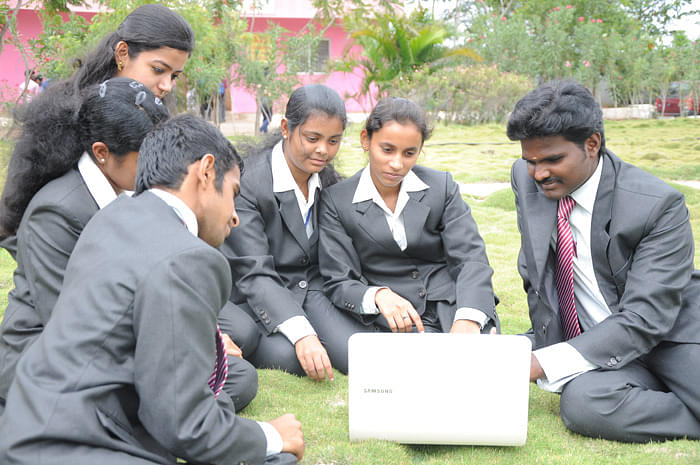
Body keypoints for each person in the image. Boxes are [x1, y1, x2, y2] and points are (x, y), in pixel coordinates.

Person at [0, 114, 304, 465]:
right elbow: (185, 425)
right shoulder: (188, 258)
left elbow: (170, 379)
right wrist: (269, 436)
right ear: (206, 171)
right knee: (277, 459)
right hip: (78, 446)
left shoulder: (112, 218)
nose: (235, 216)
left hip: (29, 431)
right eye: (233, 193)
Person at [0, 79, 256, 416]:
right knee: (212, 385)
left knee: (233, 369)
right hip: (48, 353)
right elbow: (71, 322)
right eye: (144, 155)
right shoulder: (55, 212)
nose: (157, 163)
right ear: (102, 153)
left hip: (117, 333)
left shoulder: (134, 196)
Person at [508, 79, 700, 442]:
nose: (539, 174)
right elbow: (536, 267)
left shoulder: (658, 206)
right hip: (599, 343)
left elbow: (646, 318)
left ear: (592, 143)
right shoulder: (526, 178)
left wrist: (540, 364)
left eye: (552, 160)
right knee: (583, 403)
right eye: (530, 161)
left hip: (671, 337)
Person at [317, 97, 499, 354]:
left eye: (409, 153)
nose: (397, 164)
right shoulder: (336, 201)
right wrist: (377, 295)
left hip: (454, 304)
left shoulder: (442, 187)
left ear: (420, 149)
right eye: (387, 150)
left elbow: (471, 258)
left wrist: (468, 317)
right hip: (393, 319)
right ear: (365, 140)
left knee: (482, 361)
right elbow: (338, 279)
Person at [0, 3, 194, 242]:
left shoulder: (156, 118)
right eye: (158, 69)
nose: (167, 86)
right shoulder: (61, 120)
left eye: (174, 76)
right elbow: (18, 214)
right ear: (122, 53)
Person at [221, 84, 356, 379]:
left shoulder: (329, 182)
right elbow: (254, 272)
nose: (323, 150)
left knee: (352, 354)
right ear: (285, 128)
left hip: (312, 289)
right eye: (312, 138)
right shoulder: (247, 184)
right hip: (257, 294)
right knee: (290, 359)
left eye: (333, 141)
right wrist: (302, 333)